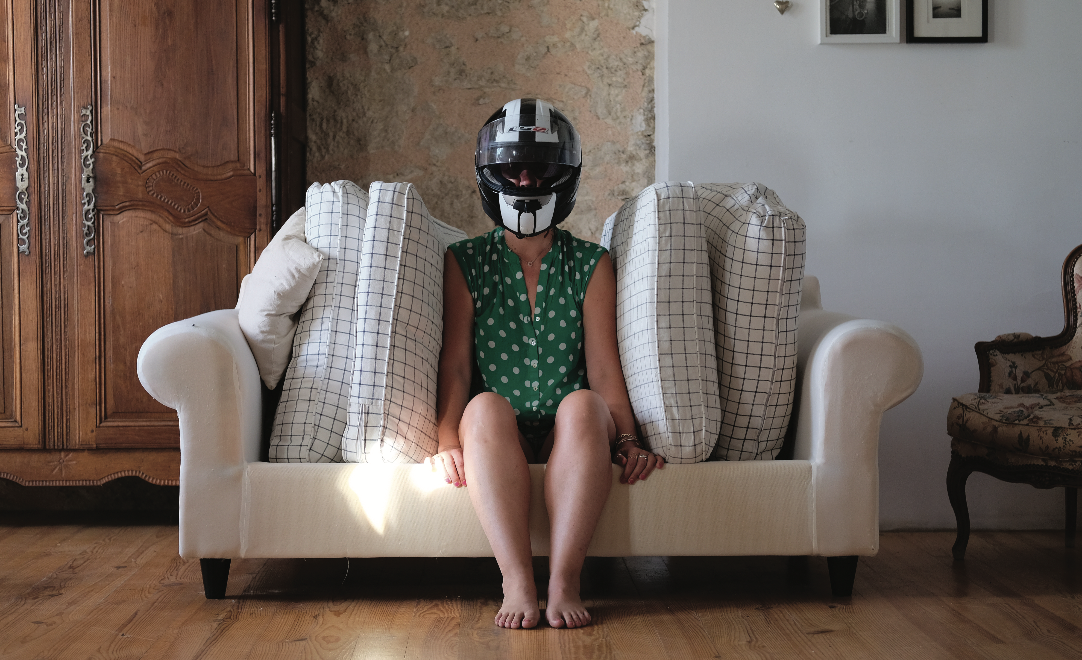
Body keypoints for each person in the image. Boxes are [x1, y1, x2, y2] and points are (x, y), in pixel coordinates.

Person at [426, 98, 664, 630]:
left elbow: (604, 370)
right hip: (499, 426)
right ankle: (516, 580)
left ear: (564, 175)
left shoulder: (591, 263)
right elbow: (457, 365)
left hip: (569, 426)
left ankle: (564, 580)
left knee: (583, 404)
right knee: (484, 407)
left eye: (540, 169)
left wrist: (627, 438)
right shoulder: (465, 261)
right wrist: (445, 440)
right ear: (491, 174)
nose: (527, 180)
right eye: (513, 169)